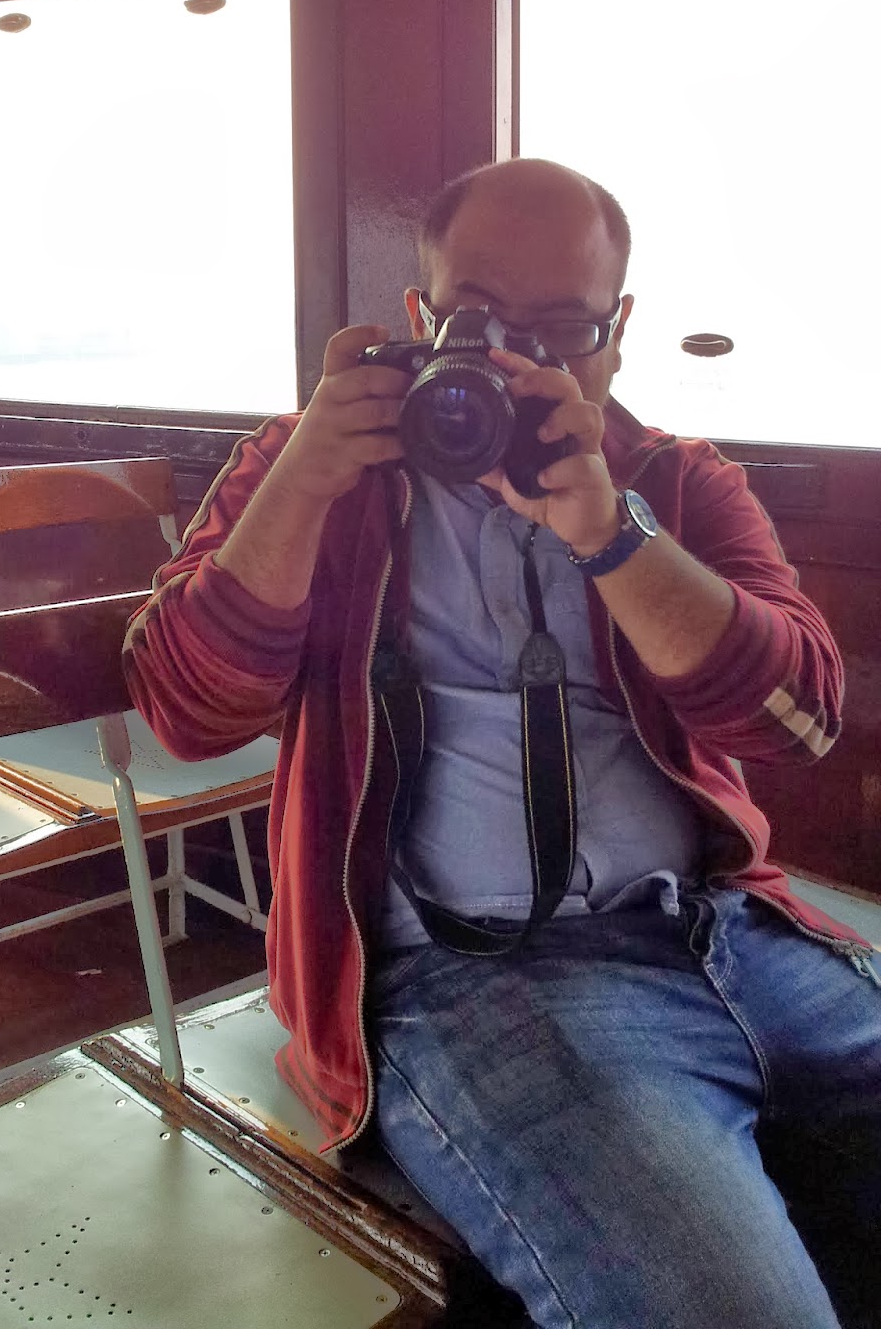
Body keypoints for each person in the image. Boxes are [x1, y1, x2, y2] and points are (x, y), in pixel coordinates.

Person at [123, 158, 880, 1328]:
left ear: (618, 334)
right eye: (478, 318)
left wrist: (610, 533)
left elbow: (799, 720)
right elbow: (186, 714)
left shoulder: (673, 481)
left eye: (564, 330)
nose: (519, 361)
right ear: (419, 316)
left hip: (732, 932)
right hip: (473, 979)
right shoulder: (317, 471)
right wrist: (304, 483)